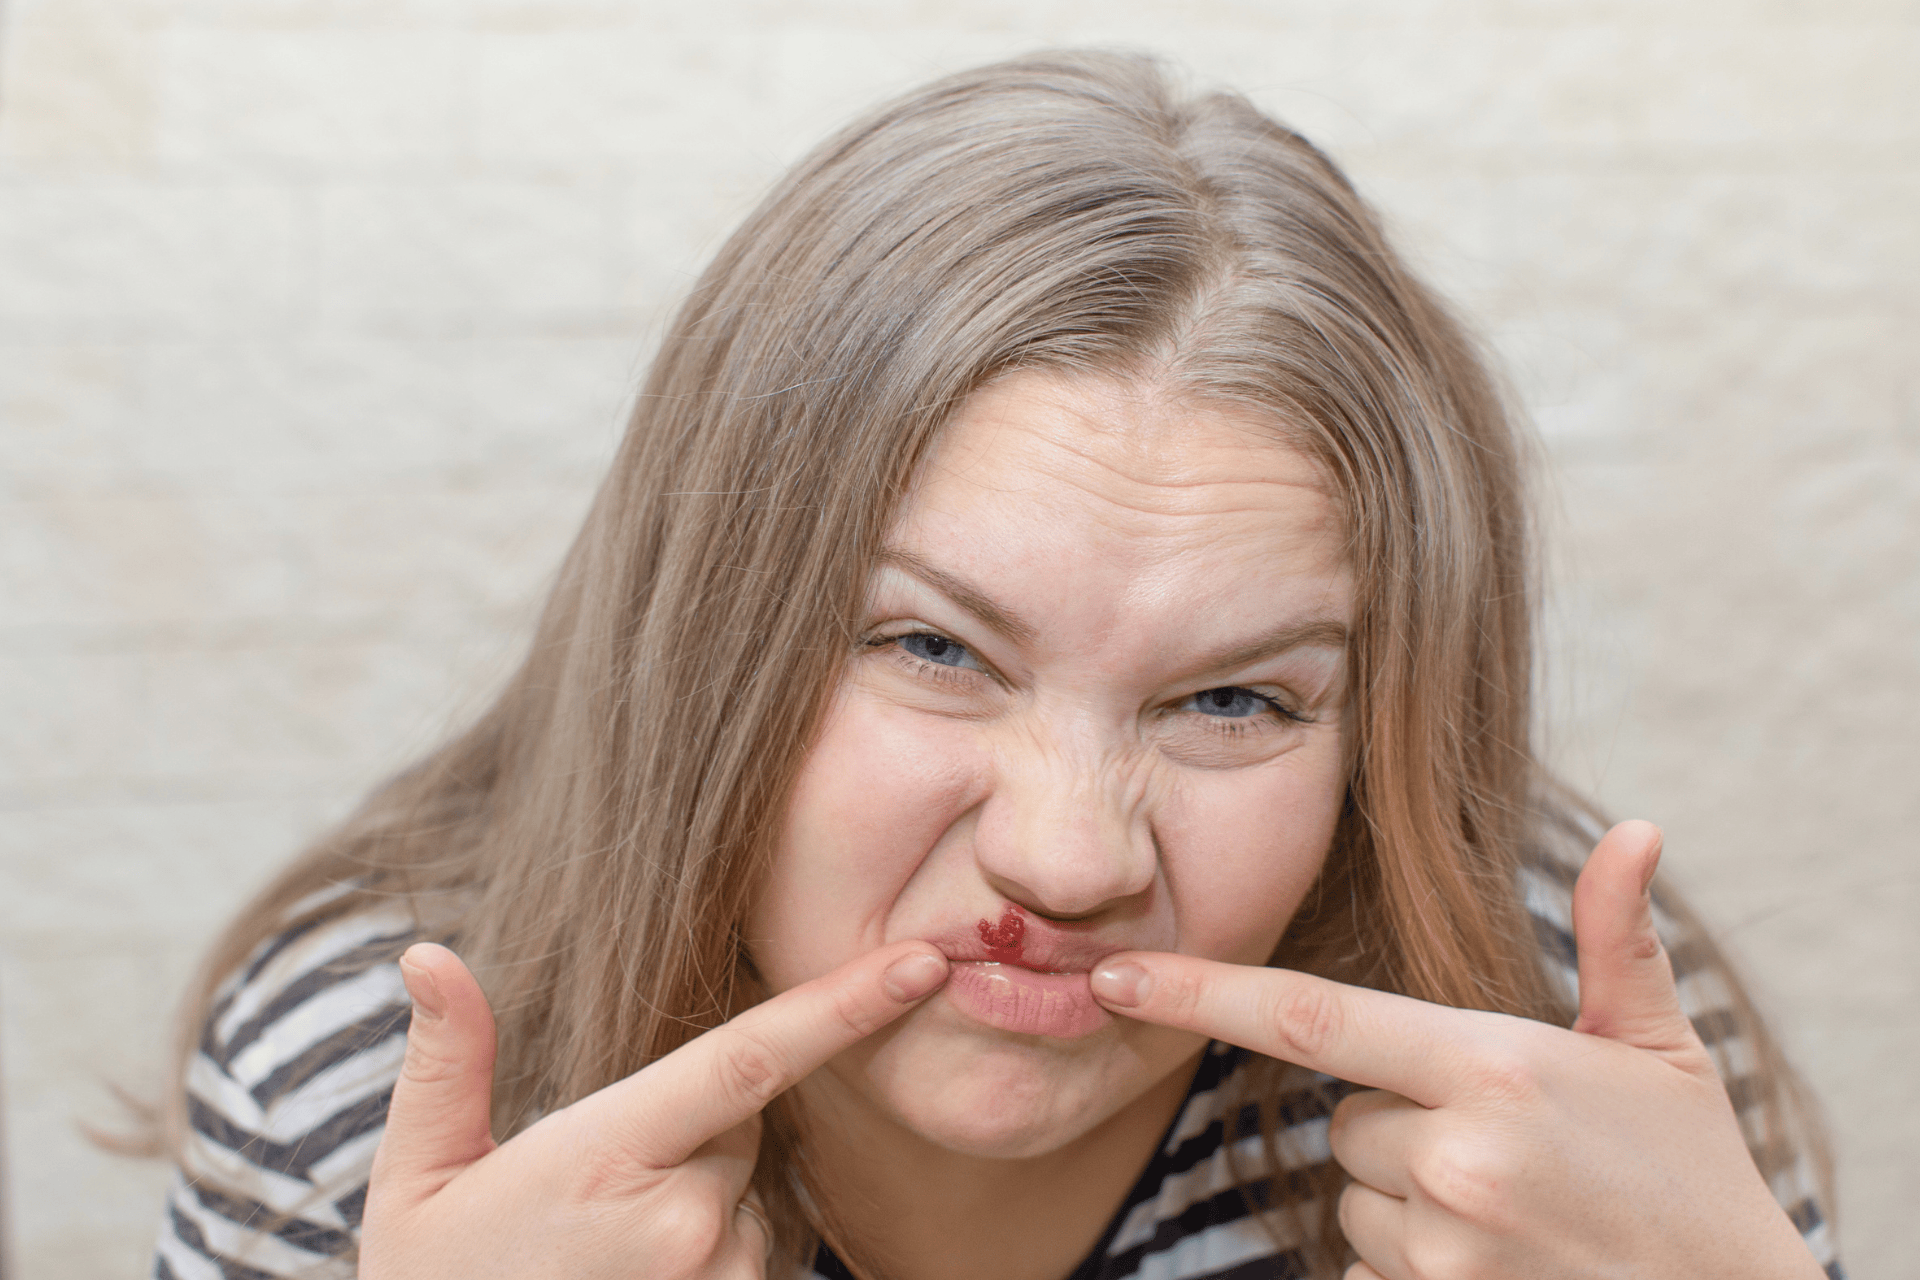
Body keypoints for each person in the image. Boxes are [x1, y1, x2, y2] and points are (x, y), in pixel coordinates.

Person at [147, 51, 1843, 1280]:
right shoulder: (367, 1086)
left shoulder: (1545, 1051)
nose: (1070, 855)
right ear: (707, 646)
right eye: (932, 648)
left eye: (1235, 698)